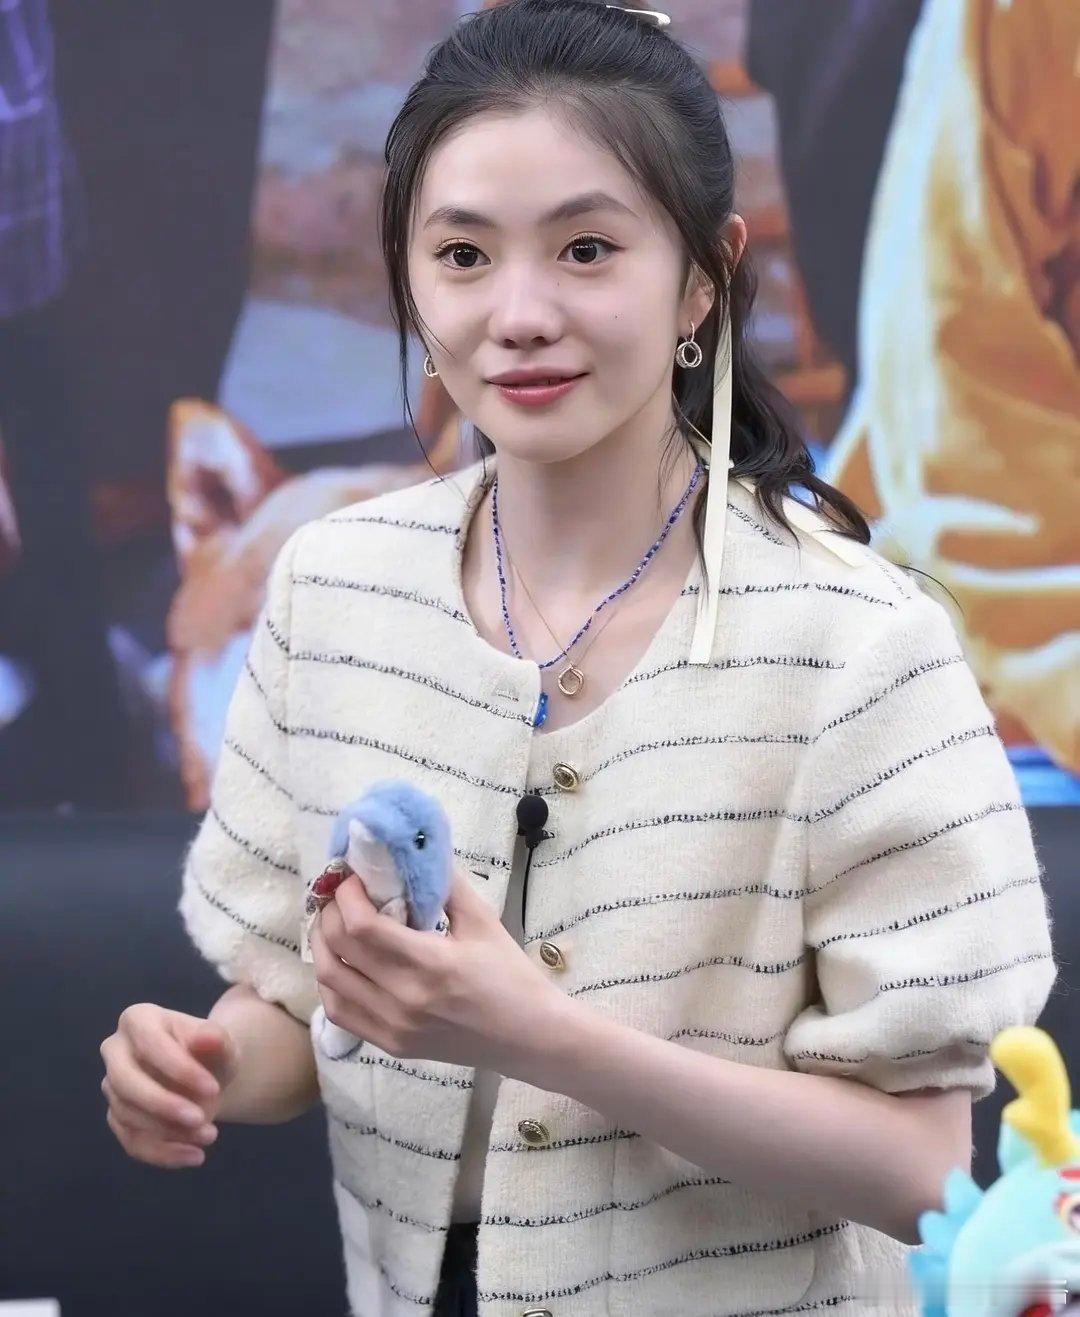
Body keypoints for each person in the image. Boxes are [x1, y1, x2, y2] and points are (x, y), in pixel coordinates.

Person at [99, 3, 1057, 1313]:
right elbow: (292, 1000)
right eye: (462, 254)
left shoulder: (865, 643)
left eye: (588, 249)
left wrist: (537, 1034)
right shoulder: (332, 587)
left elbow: (921, 1167)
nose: (519, 314)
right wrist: (204, 1064)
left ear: (705, 275)